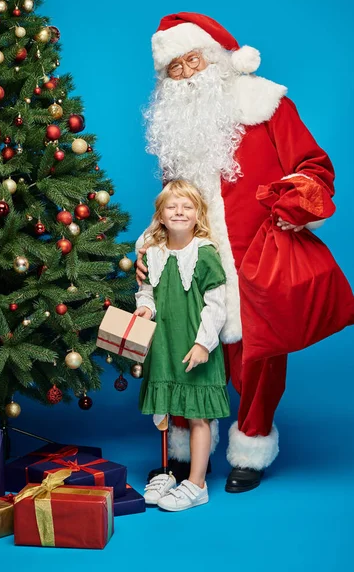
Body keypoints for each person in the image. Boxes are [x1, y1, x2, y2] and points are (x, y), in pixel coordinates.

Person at [136, 12, 337, 493]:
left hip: (257, 253)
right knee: (186, 345)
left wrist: (294, 204)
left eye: (193, 60)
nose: (185, 74)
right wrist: (152, 240)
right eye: (175, 68)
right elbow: (172, 197)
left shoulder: (265, 105)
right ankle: (184, 449)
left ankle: (252, 443)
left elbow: (314, 166)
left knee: (257, 356)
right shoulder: (175, 126)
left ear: (217, 59)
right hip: (191, 256)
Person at [134, 179, 229, 511]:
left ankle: (197, 482)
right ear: (160, 214)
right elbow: (148, 292)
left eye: (186, 206)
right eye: (171, 206)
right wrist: (145, 307)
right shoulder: (153, 252)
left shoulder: (204, 253)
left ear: (198, 214)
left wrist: (204, 344)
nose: (178, 212)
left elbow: (217, 304)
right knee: (168, 406)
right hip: (164, 344)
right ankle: (166, 472)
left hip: (194, 345)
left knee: (198, 416)